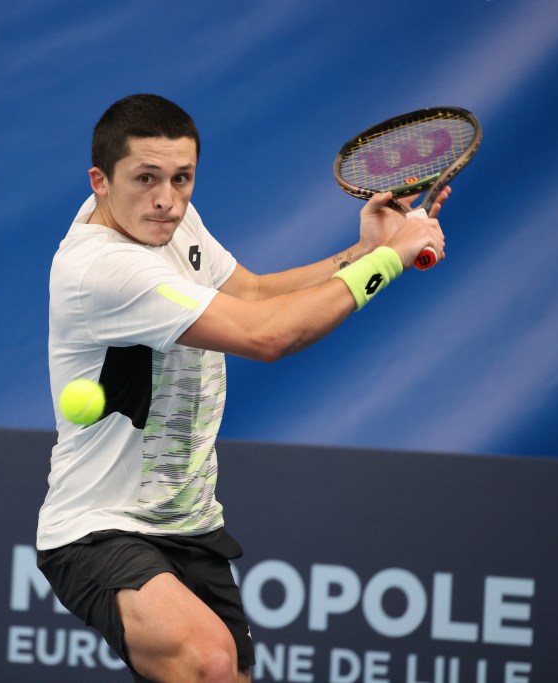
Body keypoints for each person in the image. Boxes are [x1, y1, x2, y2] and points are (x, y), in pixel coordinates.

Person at [37, 94, 448, 683]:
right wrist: (391, 260)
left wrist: (365, 251)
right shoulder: (103, 268)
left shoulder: (167, 219)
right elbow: (267, 334)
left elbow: (252, 293)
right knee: (208, 660)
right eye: (146, 178)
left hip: (190, 523)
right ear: (100, 181)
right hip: (97, 527)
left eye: (182, 178)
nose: (166, 199)